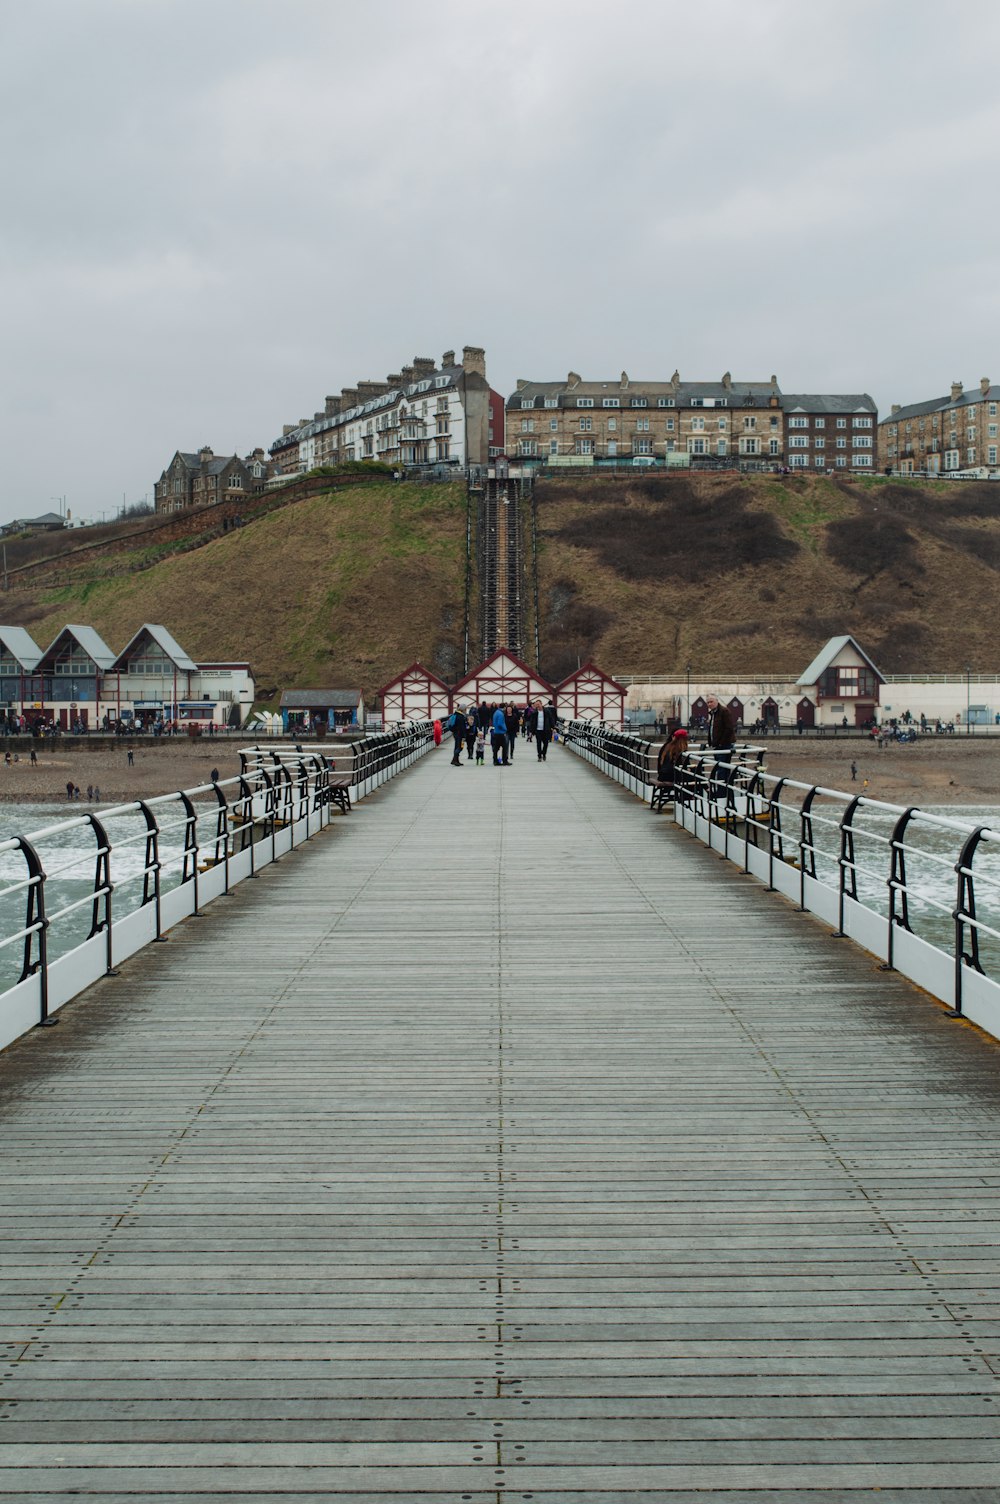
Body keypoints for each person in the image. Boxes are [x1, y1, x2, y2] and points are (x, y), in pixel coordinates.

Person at [705, 692, 735, 806]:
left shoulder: (724, 711)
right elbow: (712, 729)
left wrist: (721, 743)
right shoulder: (713, 713)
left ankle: (722, 793)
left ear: (717, 701)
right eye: (708, 702)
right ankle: (724, 790)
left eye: (711, 701)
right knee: (721, 768)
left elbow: (729, 728)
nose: (709, 704)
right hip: (717, 746)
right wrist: (711, 742)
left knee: (722, 769)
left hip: (724, 746)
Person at [656, 727, 688, 803]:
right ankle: (687, 799)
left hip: (662, 775)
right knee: (694, 778)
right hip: (672, 776)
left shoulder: (667, 746)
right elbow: (684, 765)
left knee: (692, 776)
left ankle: (688, 798)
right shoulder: (679, 749)